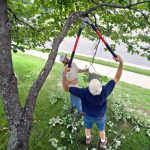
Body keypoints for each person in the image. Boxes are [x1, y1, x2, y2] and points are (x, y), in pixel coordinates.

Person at [62, 55, 123, 149]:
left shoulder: (83, 92)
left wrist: (64, 73)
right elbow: (117, 77)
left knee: (87, 128)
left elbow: (66, 89)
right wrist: (121, 63)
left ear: (89, 86)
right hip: (100, 116)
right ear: (100, 86)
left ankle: (88, 139)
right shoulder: (105, 91)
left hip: (87, 116)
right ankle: (103, 142)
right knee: (102, 130)